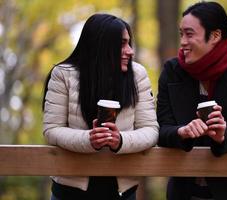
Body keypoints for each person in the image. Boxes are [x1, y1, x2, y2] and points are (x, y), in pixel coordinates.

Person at [156, 1, 227, 200]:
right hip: (182, 190)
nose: (182, 42)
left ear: (215, 35)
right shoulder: (172, 71)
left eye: (189, 34)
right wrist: (182, 132)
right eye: (181, 34)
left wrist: (223, 137)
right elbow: (162, 129)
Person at [42, 13, 158, 200]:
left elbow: (151, 130)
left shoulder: (138, 75)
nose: (130, 51)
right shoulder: (63, 75)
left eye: (129, 43)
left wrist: (120, 140)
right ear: (101, 45)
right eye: (121, 44)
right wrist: (89, 140)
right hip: (69, 191)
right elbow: (51, 130)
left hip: (122, 191)